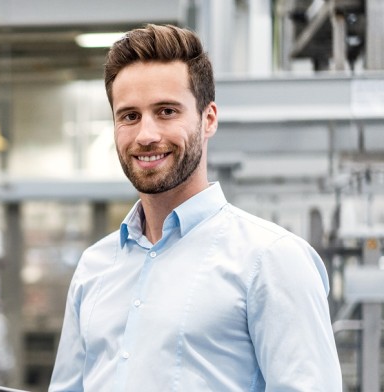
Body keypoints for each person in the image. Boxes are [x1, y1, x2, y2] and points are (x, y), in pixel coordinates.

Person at [49, 24, 342, 391]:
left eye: (167, 111)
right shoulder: (95, 266)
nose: (146, 135)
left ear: (209, 119)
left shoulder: (271, 261)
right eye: (129, 116)